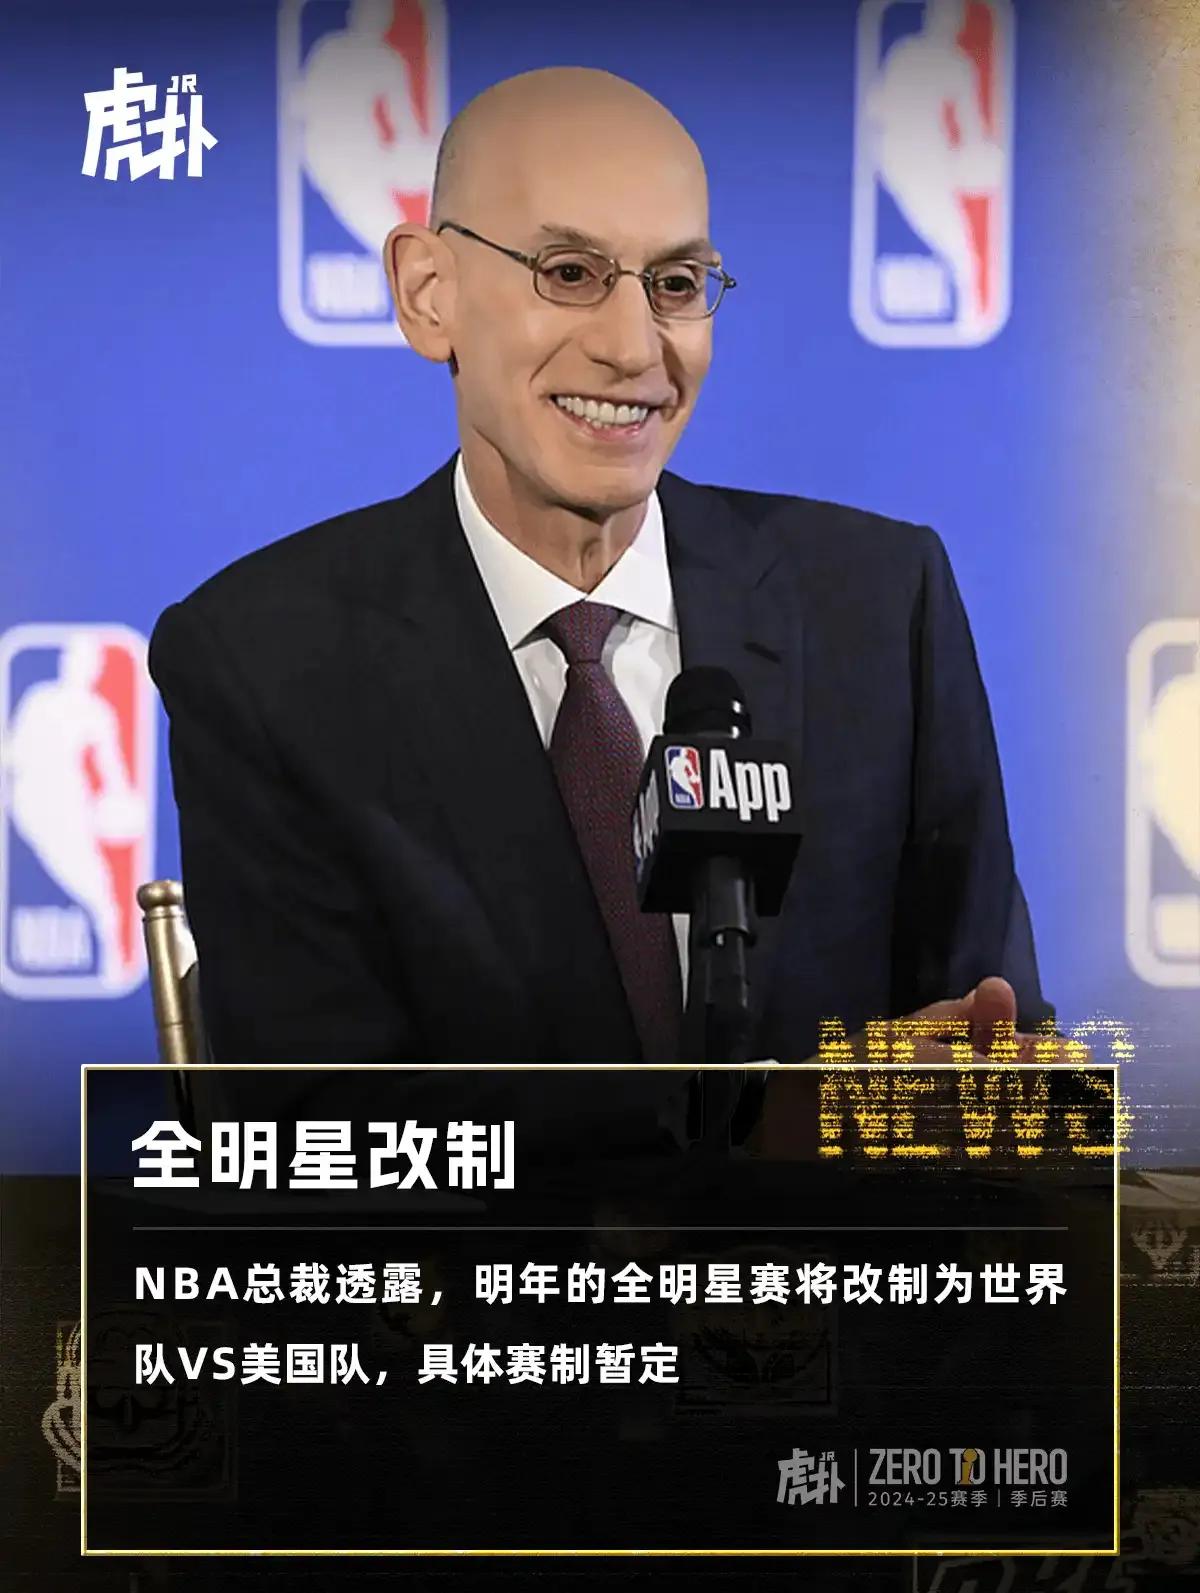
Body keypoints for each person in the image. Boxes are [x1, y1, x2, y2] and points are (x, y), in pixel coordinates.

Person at [149, 66, 1055, 1145]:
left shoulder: (880, 601)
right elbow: (324, 1135)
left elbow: (999, 1063)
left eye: (676, 282)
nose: (633, 348)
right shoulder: (264, 660)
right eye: (570, 272)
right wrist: (773, 1130)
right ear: (429, 292)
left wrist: (977, 1106)